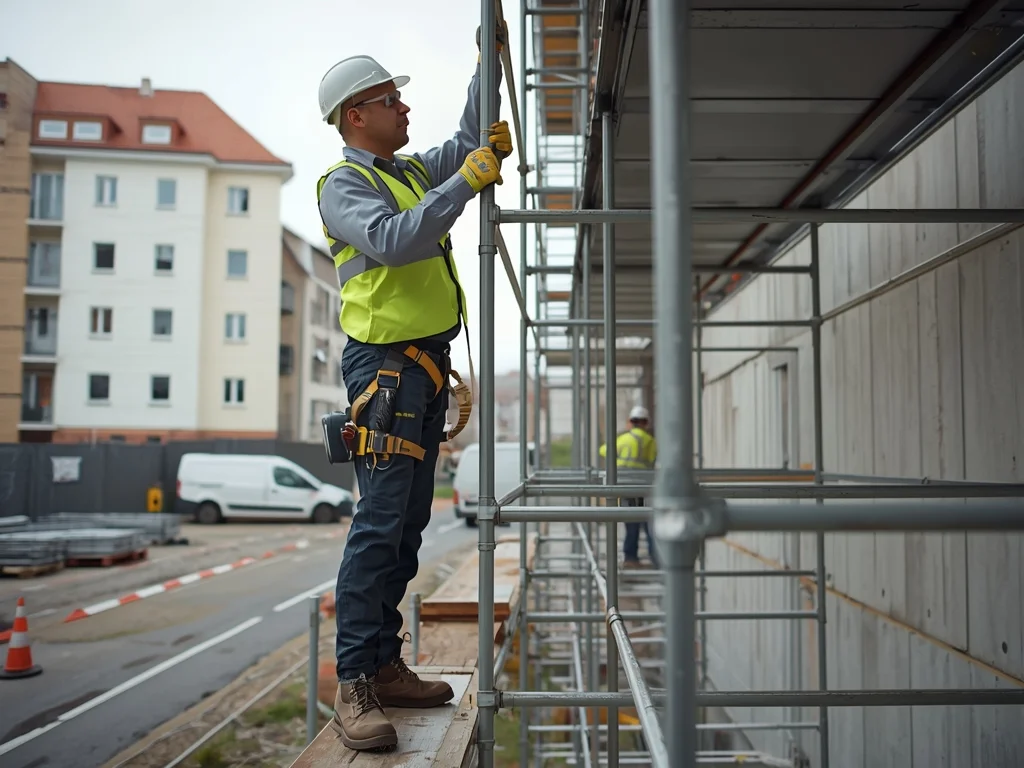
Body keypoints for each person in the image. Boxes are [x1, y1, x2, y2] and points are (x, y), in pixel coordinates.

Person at [315, 28, 509, 753]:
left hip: (419, 369)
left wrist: (486, 62)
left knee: (407, 521)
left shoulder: (405, 171)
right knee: (379, 521)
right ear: (353, 115)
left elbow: (465, 141)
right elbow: (395, 241)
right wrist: (469, 181)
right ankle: (355, 685)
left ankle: (385, 663)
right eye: (388, 100)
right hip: (386, 370)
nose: (403, 107)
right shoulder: (346, 185)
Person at [598, 405, 658, 568]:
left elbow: (603, 450)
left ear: (630, 422)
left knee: (631, 523)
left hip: (626, 487)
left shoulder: (625, 439)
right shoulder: (651, 442)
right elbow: (653, 460)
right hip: (644, 488)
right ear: (646, 423)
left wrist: (619, 463)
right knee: (648, 523)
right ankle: (656, 559)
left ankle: (631, 558)